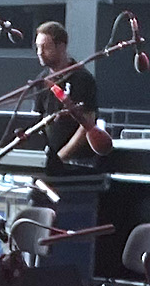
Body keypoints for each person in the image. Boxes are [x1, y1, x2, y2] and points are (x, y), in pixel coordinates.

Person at [30, 21, 112, 172]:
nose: (39, 52)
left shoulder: (81, 78)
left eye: (45, 47)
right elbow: (36, 119)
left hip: (78, 163)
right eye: (38, 47)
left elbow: (87, 124)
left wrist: (61, 157)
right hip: (51, 160)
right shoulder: (41, 80)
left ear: (61, 47)